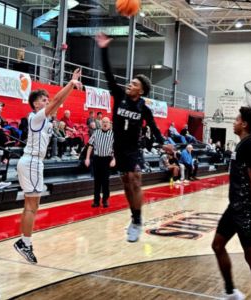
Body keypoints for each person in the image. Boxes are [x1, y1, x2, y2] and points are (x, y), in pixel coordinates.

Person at [96, 32, 165, 243]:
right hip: (119, 148)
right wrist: (104, 49)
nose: (129, 84)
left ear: (141, 90)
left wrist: (164, 144)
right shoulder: (119, 96)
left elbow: (153, 127)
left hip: (134, 149)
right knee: (127, 183)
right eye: (130, 82)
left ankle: (138, 220)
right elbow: (108, 74)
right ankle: (134, 217)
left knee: (136, 179)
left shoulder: (144, 107)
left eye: (134, 83)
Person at [13, 68, 82, 264]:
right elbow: (57, 102)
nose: (47, 102)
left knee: (31, 205)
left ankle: (25, 242)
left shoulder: (44, 119)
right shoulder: (35, 117)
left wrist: (72, 86)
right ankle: (24, 243)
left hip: (34, 162)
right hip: (32, 161)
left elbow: (58, 103)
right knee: (32, 206)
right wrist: (71, 83)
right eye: (43, 100)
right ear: (35, 104)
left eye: (46, 99)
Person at [211, 107, 251, 300]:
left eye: (236, 119)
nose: (234, 122)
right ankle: (230, 291)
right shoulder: (242, 144)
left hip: (244, 211)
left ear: (244, 124)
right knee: (218, 246)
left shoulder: (250, 143)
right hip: (233, 207)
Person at [85, 117, 115, 208]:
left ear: (109, 124)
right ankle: (96, 201)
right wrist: (87, 158)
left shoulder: (113, 134)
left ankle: (105, 200)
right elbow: (90, 146)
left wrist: (114, 159)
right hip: (97, 159)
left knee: (105, 181)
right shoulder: (96, 132)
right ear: (101, 123)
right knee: (97, 181)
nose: (105, 123)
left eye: (107, 122)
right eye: (104, 122)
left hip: (107, 159)